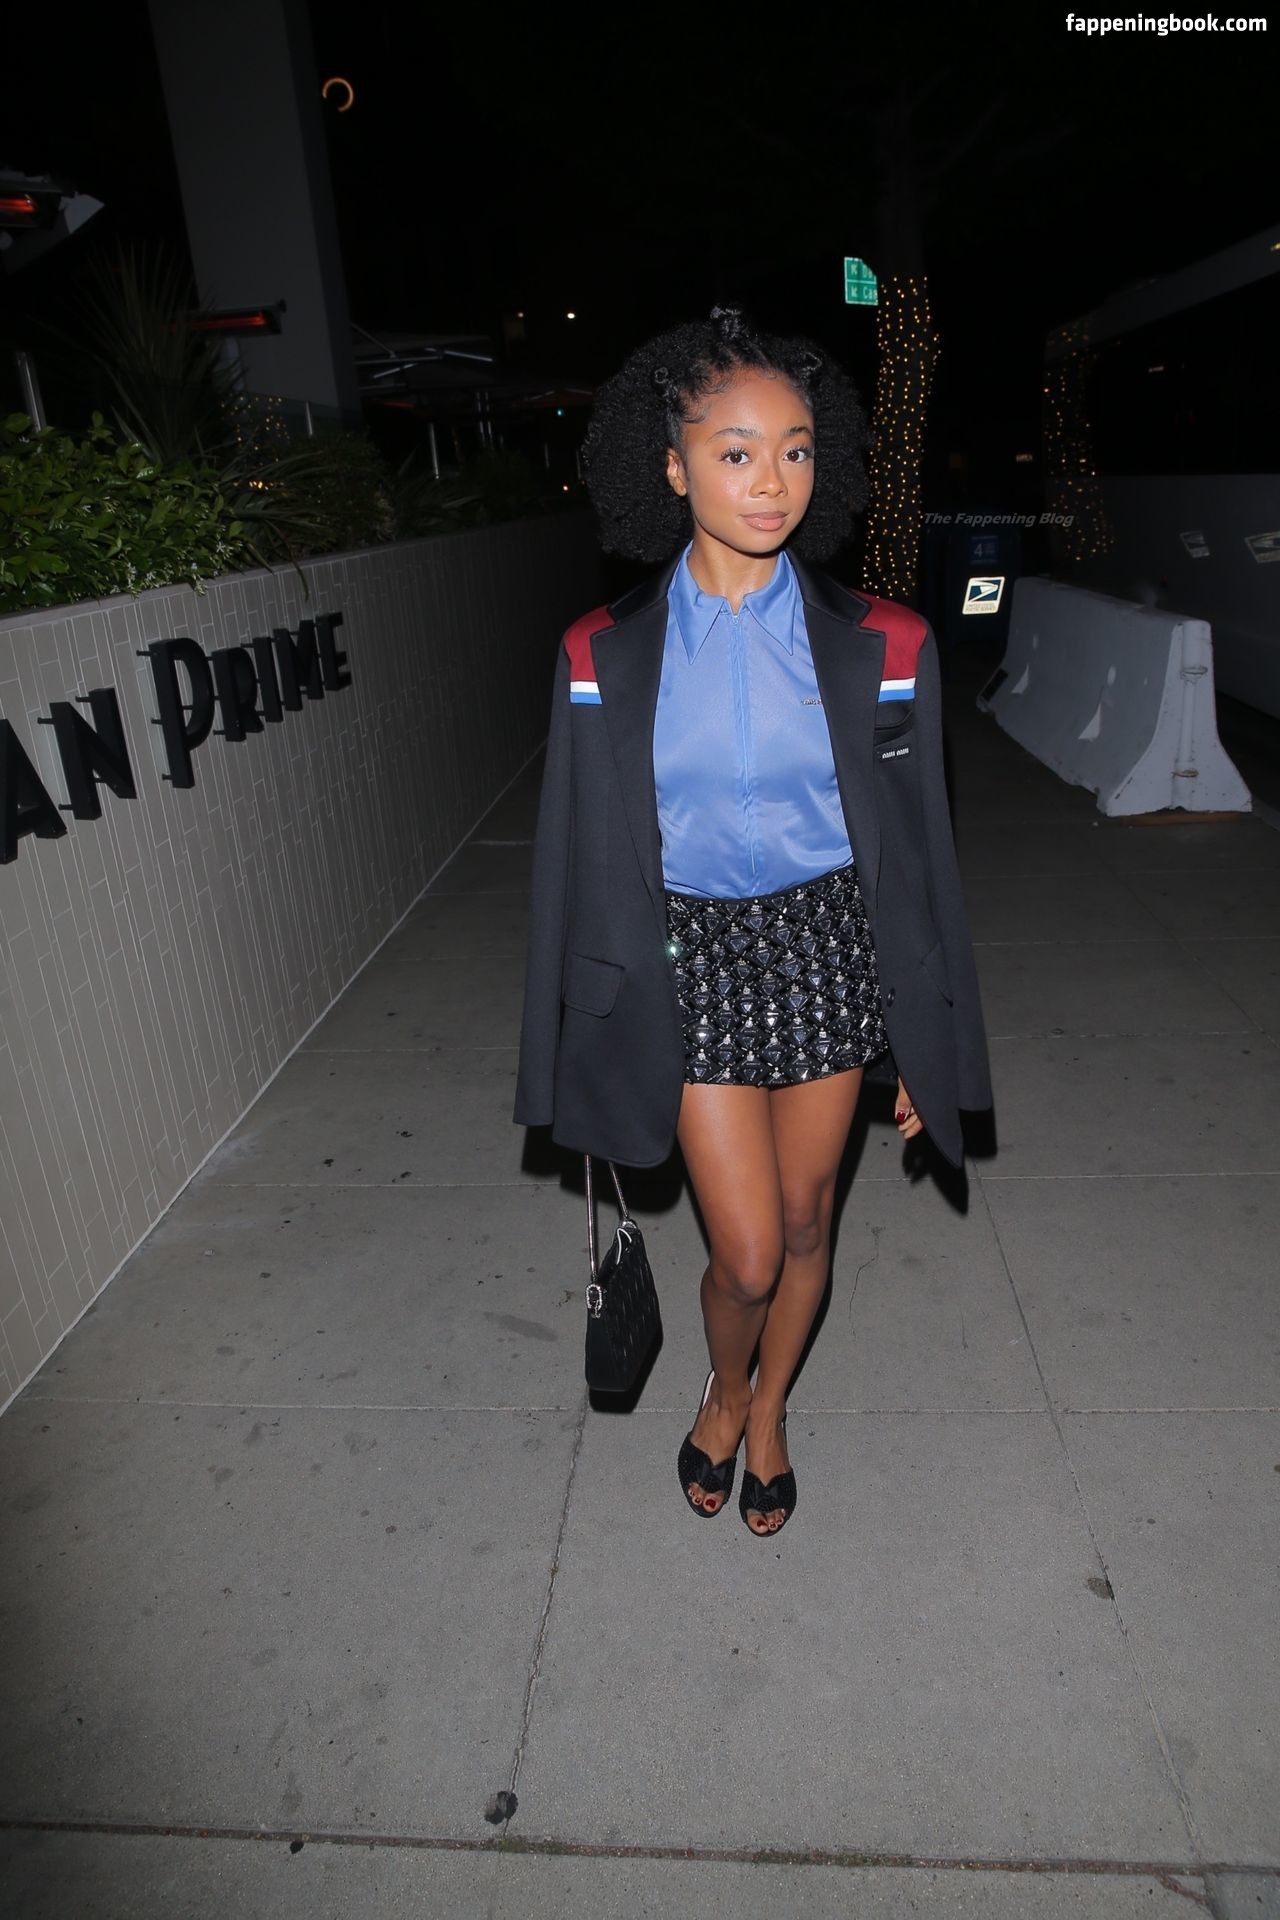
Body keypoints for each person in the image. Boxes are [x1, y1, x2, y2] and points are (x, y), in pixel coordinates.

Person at [514, 305, 992, 1538]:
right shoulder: (598, 654)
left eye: (793, 449)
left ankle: (769, 1408)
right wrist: (577, 1037)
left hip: (828, 947)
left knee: (804, 1219)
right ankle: (723, 1388)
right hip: (686, 958)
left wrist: (924, 1033)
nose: (770, 481)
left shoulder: (889, 643)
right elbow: (574, 865)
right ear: (671, 467)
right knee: (743, 1253)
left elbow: (920, 863)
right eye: (733, 452)